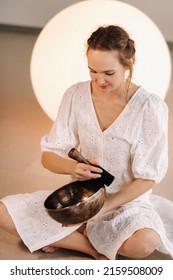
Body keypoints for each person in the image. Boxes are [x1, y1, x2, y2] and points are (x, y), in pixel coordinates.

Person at [0, 25, 173, 260]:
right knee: (2, 212)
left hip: (125, 203)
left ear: (129, 63)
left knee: (143, 244)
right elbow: (48, 156)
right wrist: (73, 168)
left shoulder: (149, 108)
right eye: (93, 71)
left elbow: (147, 179)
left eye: (108, 73)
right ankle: (88, 246)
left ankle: (68, 235)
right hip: (81, 200)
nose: (99, 80)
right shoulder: (75, 95)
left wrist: (105, 207)